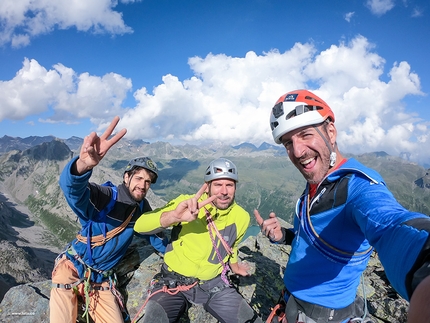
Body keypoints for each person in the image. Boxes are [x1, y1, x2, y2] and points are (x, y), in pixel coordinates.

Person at [254, 89, 430, 323]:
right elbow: (312, 239)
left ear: (330, 131)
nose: (297, 151)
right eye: (288, 142)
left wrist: (424, 268)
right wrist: (283, 236)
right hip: (292, 305)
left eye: (305, 134)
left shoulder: (358, 187)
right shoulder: (319, 182)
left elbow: (391, 224)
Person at [50, 116, 167, 323]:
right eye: (139, 178)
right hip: (70, 269)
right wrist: (82, 166)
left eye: (148, 182)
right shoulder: (105, 197)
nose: (143, 185)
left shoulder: (141, 208)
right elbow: (73, 191)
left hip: (100, 279)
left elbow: (156, 236)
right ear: (126, 177)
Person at [134, 158, 264, 323]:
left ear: (235, 187)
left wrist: (235, 266)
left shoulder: (241, 217)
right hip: (173, 282)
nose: (224, 191)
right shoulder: (188, 203)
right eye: (217, 185)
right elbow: (140, 225)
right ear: (207, 186)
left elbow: (233, 245)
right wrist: (174, 216)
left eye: (229, 185)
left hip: (214, 284)